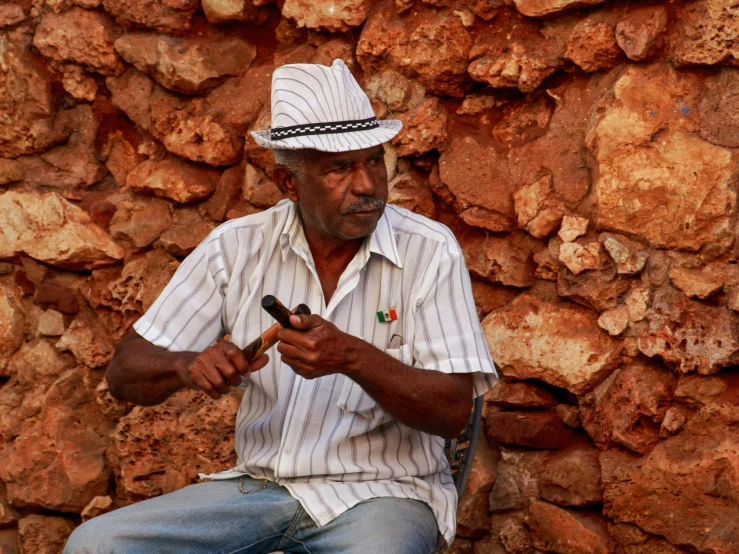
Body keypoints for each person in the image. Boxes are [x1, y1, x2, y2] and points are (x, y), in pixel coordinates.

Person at [64, 59, 497, 554]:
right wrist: (187, 366)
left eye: (374, 161)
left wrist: (351, 357)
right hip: (256, 491)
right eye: (339, 168)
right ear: (288, 184)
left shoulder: (428, 249)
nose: (367, 186)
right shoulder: (237, 247)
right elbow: (124, 374)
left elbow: (453, 412)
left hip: (383, 495)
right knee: (96, 545)